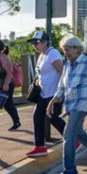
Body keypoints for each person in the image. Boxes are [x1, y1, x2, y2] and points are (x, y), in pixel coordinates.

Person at [50, 36, 87, 174]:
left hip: (82, 104)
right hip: (70, 104)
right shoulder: (68, 64)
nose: (66, 53)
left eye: (68, 49)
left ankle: (70, 169)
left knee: (68, 135)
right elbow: (62, 85)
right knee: (79, 133)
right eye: (64, 50)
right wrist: (53, 100)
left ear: (76, 48)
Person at [27, 30, 65, 158]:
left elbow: (63, 72)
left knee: (54, 118)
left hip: (54, 93)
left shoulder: (53, 53)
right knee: (37, 117)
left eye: (37, 43)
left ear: (45, 42)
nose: (35, 46)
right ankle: (40, 147)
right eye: (33, 43)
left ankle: (73, 139)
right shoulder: (42, 55)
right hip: (43, 93)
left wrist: (60, 92)